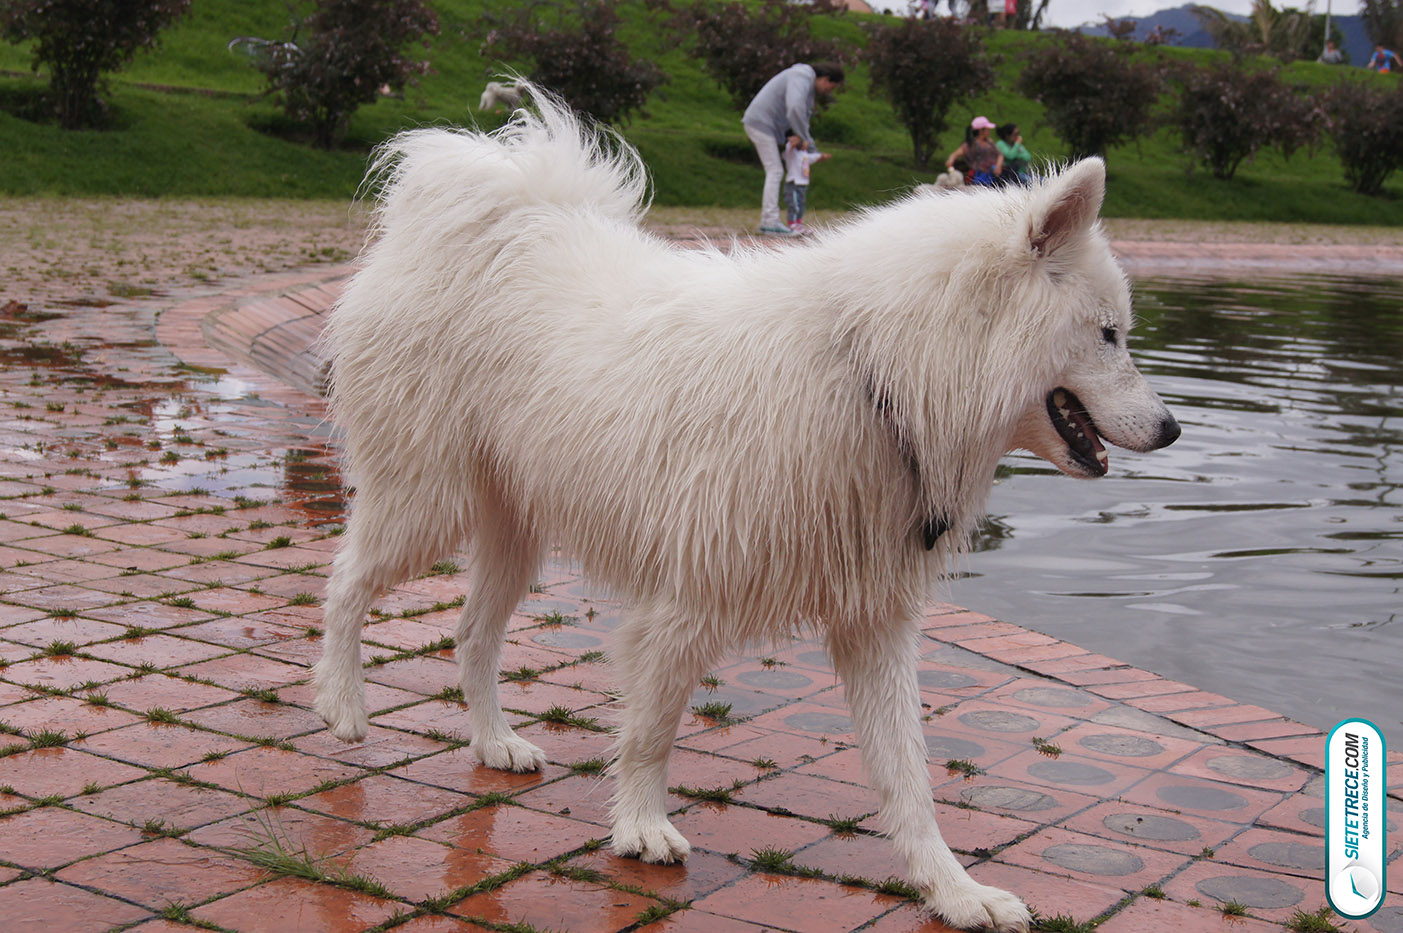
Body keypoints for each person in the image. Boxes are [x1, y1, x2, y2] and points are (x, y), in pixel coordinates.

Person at [742, 62, 845, 237]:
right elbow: (795, 108)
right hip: (760, 124)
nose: (830, 91)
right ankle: (769, 222)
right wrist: (804, 138)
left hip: (764, 125)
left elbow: (799, 113)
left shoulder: (805, 82)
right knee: (775, 170)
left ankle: (770, 221)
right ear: (826, 79)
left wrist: (803, 140)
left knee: (775, 170)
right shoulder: (802, 76)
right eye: (831, 86)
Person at [782, 132, 830, 234]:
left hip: (803, 183)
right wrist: (795, 141)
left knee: (801, 204)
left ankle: (799, 223)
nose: (806, 144)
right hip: (793, 182)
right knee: (793, 204)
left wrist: (822, 156)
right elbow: (789, 146)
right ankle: (792, 223)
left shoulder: (804, 154)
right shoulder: (792, 153)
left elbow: (813, 157)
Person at [945, 116, 1003, 186]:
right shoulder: (971, 145)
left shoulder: (990, 142)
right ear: (981, 131)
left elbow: (999, 154)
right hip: (979, 177)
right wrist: (950, 160)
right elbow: (955, 154)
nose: (989, 132)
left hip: (993, 175)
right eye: (987, 130)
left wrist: (998, 166)